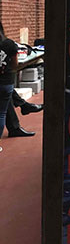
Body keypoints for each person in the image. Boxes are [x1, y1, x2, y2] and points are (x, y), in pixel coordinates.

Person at [0, 22, 19, 152]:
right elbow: (15, 64)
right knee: (1, 114)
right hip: (6, 82)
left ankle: (23, 104)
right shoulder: (9, 44)